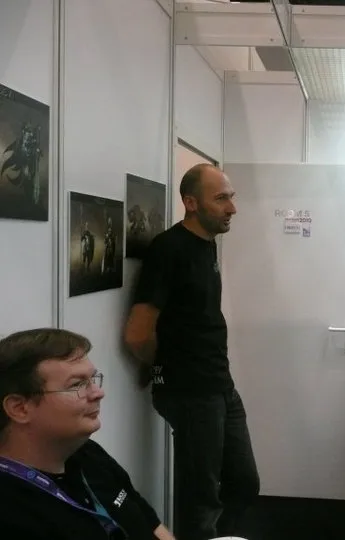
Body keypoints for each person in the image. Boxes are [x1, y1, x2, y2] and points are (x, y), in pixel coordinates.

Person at [124, 163, 259, 540]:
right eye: (221, 199)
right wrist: (159, 368)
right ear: (191, 203)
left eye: (231, 197)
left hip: (219, 384)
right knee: (200, 502)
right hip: (190, 391)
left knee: (244, 483)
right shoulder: (169, 249)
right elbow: (137, 334)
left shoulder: (206, 243)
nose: (232, 208)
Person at [0, 328, 174, 540]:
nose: (98, 393)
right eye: (77, 384)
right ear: (20, 408)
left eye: (93, 379)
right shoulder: (10, 509)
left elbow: (152, 526)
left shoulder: (88, 454)